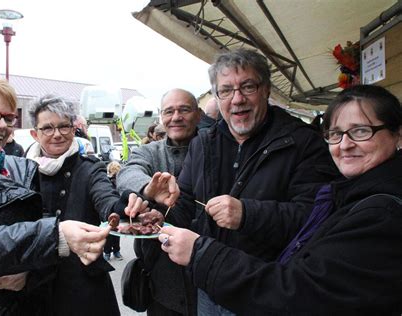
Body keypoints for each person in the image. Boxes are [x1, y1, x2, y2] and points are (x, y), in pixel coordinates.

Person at [158, 84, 402, 315]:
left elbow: (301, 292)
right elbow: (186, 200)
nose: (345, 145)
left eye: (361, 131)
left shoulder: (382, 213)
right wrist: (159, 211)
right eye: (336, 134)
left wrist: (207, 248)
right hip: (224, 287)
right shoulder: (345, 194)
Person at [136, 48, 338, 315]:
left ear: (266, 89)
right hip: (209, 286)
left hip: (270, 293)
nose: (237, 99)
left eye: (248, 87)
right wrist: (159, 211)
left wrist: (247, 213)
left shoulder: (303, 142)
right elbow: (184, 204)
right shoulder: (203, 144)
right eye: (227, 90)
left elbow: (318, 219)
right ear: (218, 97)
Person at [0, 76, 110, 315]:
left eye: (8, 118)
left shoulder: (19, 167)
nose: (2, 125)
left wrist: (28, 271)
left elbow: (36, 230)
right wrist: (56, 236)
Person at [25, 94, 147, 315]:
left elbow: (107, 201)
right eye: (48, 128)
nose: (57, 134)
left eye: (64, 126)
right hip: (34, 284)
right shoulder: (21, 171)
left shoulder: (90, 168)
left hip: (83, 286)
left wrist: (126, 205)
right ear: (35, 133)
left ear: (74, 129)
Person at [117, 88, 201, 315]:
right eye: (169, 111)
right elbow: (127, 173)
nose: (176, 117)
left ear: (199, 114)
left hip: (205, 273)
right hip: (160, 276)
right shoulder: (149, 152)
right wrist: (148, 189)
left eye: (184, 110)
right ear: (161, 117)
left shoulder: (213, 150)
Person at [104, 161, 123, 261]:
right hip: (110, 209)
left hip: (116, 209)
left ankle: (115, 251)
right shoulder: (107, 181)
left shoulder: (121, 180)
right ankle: (109, 252)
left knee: (114, 232)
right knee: (109, 233)